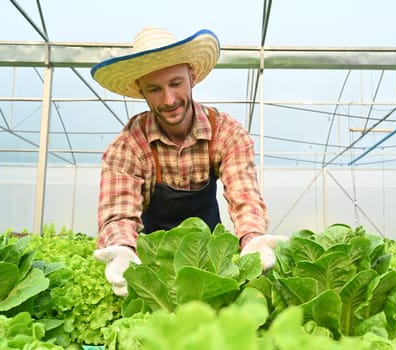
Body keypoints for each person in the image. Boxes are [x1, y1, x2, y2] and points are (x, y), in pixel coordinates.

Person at [90, 26, 288, 296]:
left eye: (176, 83)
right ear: (141, 90)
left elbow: (245, 195)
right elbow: (119, 213)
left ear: (192, 77)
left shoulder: (226, 133)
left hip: (210, 262)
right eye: (155, 89)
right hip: (152, 266)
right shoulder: (128, 146)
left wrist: (252, 237)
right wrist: (123, 248)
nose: (169, 100)